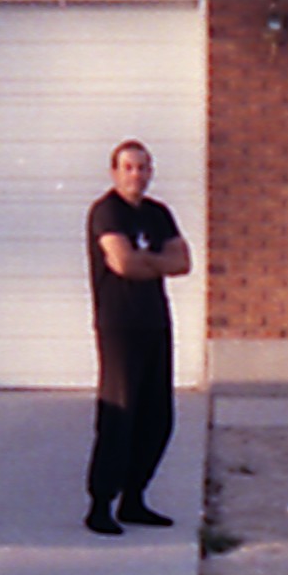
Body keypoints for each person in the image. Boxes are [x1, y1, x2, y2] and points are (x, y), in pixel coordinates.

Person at [84, 138, 192, 534]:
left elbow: (183, 262)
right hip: (120, 326)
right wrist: (153, 262)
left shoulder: (158, 214)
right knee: (120, 412)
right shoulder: (106, 211)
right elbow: (123, 263)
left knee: (158, 416)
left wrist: (144, 260)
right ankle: (100, 505)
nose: (137, 174)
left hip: (155, 322)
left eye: (143, 167)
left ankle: (134, 499)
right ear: (114, 172)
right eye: (128, 167)